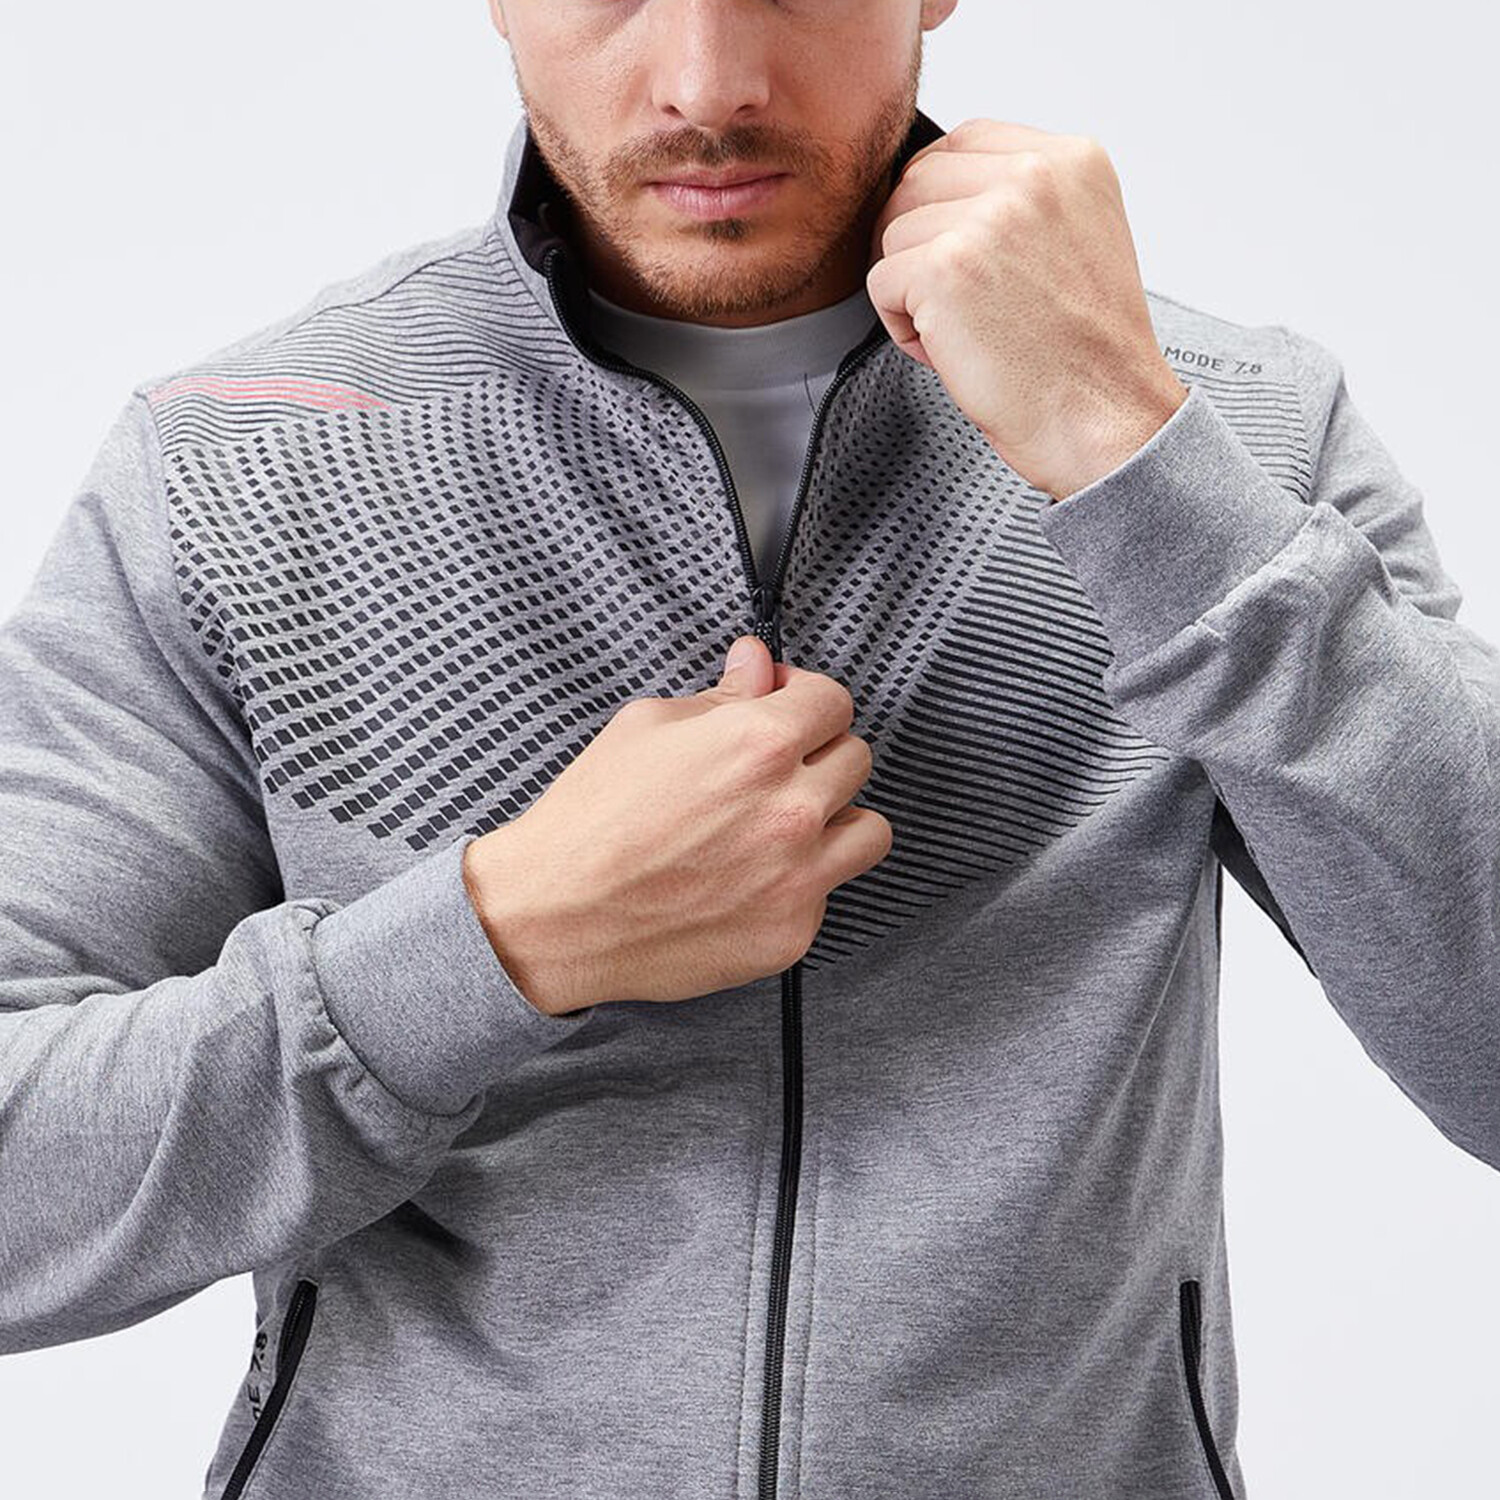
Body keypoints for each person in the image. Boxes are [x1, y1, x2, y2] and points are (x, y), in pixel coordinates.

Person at [2, 1, 1496, 1496]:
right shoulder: (238, 463)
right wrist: (504, 938)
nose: (709, 85)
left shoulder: (1237, 437)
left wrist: (1129, 451)